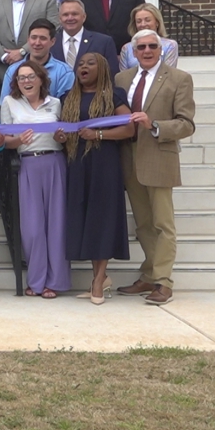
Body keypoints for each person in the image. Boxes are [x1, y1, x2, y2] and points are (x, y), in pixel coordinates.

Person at [115, 30, 196, 305]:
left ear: (161, 49)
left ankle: (163, 281)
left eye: (152, 46)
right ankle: (149, 274)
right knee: (143, 224)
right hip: (129, 158)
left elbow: (187, 123)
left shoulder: (179, 78)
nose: (147, 51)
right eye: (141, 47)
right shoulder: (122, 79)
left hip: (159, 156)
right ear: (133, 52)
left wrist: (155, 125)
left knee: (163, 224)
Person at [55, 52, 137, 304]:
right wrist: (61, 137)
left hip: (104, 164)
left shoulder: (113, 95)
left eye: (90, 64)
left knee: (102, 219)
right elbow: (64, 130)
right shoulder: (67, 97)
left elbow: (129, 128)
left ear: (101, 68)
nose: (84, 67)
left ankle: (99, 280)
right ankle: (98, 277)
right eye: (80, 64)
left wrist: (99, 134)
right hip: (77, 164)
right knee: (87, 220)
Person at [0, 62, 68, 298]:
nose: (26, 81)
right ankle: (36, 281)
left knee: (56, 224)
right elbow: (5, 141)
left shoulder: (55, 103)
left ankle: (55, 282)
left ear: (41, 79)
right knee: (32, 228)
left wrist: (61, 137)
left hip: (54, 163)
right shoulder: (9, 103)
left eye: (30, 77)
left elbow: (61, 137)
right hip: (28, 165)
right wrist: (19, 140)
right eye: (21, 78)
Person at [0, 18, 75, 104]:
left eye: (43, 38)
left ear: (53, 41)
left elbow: (66, 107)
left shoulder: (64, 72)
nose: (37, 43)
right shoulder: (12, 70)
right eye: (33, 38)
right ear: (28, 39)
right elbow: (5, 104)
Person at [50, 0, 120, 78]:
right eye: (65, 15)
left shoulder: (103, 42)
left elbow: (111, 75)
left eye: (74, 14)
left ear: (84, 17)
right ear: (60, 19)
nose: (70, 18)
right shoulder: (50, 43)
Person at [118, 3, 180, 71]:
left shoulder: (170, 45)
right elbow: (123, 75)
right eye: (139, 21)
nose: (143, 24)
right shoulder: (127, 48)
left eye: (147, 20)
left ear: (157, 22)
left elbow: (168, 73)